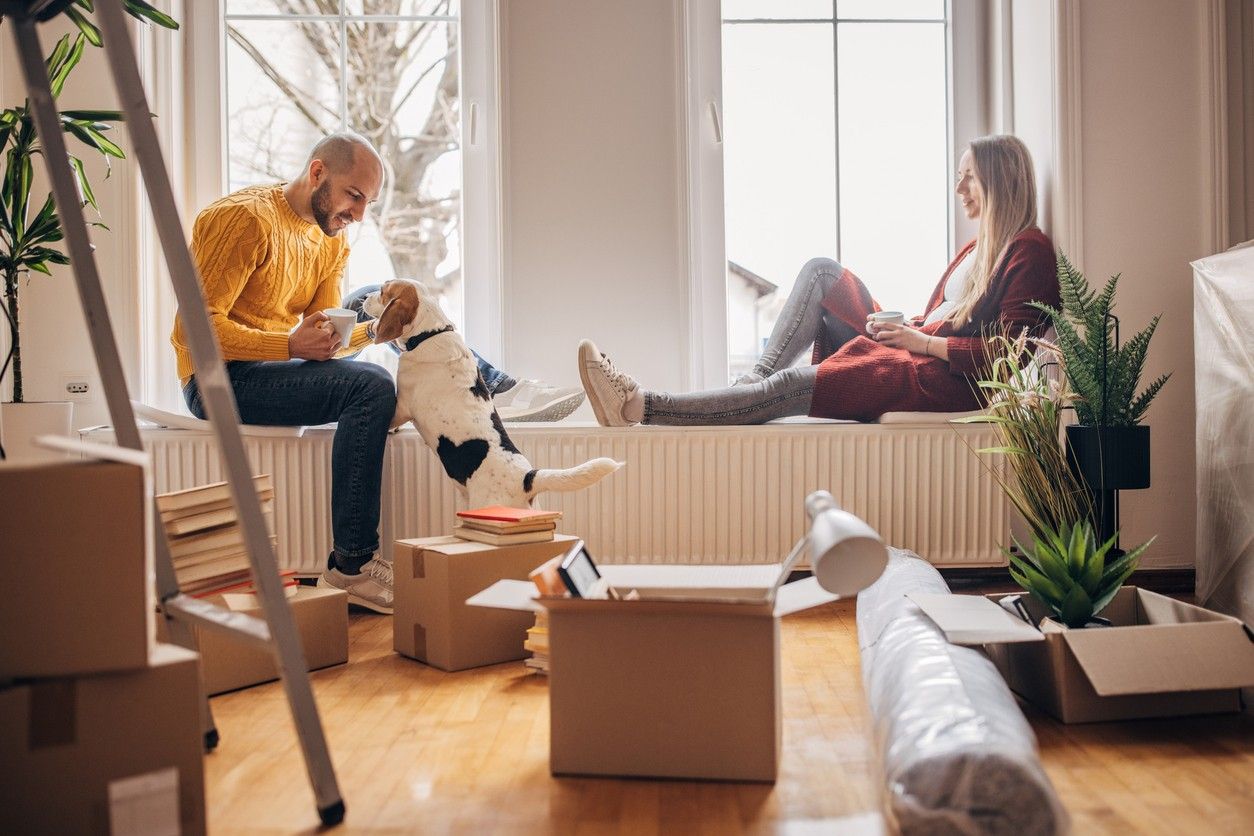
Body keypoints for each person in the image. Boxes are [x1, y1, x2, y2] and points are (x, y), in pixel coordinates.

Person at [171, 132, 580, 614]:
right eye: (354, 196)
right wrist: (288, 343)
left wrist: (360, 332)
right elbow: (192, 331)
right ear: (318, 173)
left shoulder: (329, 238)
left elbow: (325, 327)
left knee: (387, 292)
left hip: (280, 362)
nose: (360, 214)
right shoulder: (242, 220)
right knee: (371, 386)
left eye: (368, 202)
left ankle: (492, 385)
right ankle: (352, 565)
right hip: (219, 379)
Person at [578, 134, 1060, 426]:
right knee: (822, 271)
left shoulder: (1029, 252)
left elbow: (1009, 357)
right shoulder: (977, 250)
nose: (958, 189)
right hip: (909, 348)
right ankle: (752, 382)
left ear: (1000, 181)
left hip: (929, 376)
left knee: (782, 390)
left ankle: (638, 405)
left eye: (969, 178)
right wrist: (906, 330)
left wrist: (919, 341)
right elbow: (940, 319)